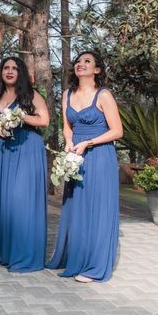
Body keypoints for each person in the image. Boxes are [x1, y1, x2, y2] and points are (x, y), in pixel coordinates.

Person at [47, 51, 122, 282]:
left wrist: (88, 142)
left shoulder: (104, 95)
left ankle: (94, 266)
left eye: (87, 62)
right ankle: (76, 258)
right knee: (77, 207)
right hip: (75, 156)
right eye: (78, 61)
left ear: (97, 70)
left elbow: (117, 131)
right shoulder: (68, 94)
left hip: (99, 156)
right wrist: (69, 142)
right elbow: (67, 125)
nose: (81, 64)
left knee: (97, 208)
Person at [0, 57, 49, 273]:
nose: (9, 71)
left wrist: (21, 116)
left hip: (27, 147)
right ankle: (5, 252)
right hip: (3, 149)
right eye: (6, 67)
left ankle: (25, 254)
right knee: (4, 200)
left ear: (21, 73)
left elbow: (44, 120)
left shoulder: (30, 95)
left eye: (14, 68)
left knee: (21, 199)